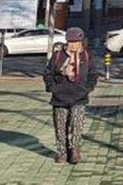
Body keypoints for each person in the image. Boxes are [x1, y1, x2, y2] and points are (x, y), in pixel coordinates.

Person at [43, 27, 99, 164]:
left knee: (77, 125)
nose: (73, 45)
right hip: (60, 97)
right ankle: (62, 152)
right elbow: (47, 73)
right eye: (71, 42)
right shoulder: (58, 56)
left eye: (76, 42)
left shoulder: (86, 55)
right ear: (66, 42)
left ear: (81, 41)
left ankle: (74, 151)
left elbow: (93, 74)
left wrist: (88, 88)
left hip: (79, 97)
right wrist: (53, 88)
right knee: (60, 127)